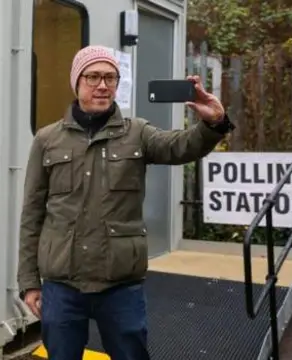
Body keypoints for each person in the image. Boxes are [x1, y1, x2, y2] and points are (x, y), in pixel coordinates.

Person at [16, 45, 235, 360]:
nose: (102, 85)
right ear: (76, 82)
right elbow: (32, 215)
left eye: (110, 77)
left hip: (120, 285)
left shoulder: (137, 133)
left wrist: (214, 123)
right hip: (62, 284)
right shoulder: (47, 140)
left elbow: (181, 147)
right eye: (92, 77)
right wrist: (28, 282)